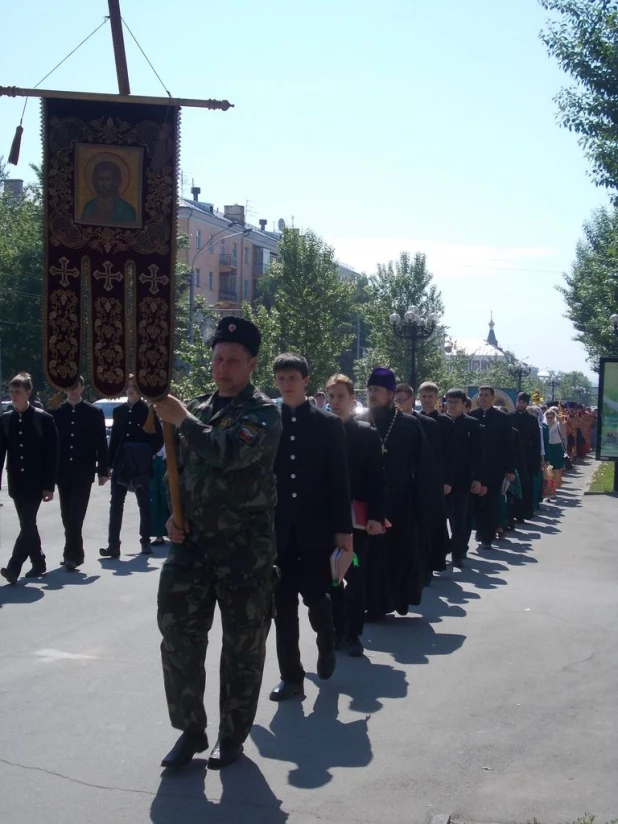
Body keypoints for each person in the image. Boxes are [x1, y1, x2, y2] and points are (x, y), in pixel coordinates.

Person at [154, 316, 282, 770]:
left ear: (251, 363)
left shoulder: (264, 412)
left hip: (244, 552)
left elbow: (229, 453)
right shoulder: (198, 407)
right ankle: (190, 729)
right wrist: (171, 517)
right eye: (216, 359)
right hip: (191, 549)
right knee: (178, 638)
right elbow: (177, 474)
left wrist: (183, 420)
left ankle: (232, 736)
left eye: (231, 360)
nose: (221, 368)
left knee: (243, 648)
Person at [269, 354, 352, 702]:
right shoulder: (268, 422)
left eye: (292, 377)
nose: (286, 384)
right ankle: (291, 676)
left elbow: (339, 482)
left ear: (306, 380)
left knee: (316, 597)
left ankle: (326, 640)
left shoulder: (327, 424)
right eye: (280, 378)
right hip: (277, 530)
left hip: (316, 529)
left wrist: (343, 533)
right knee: (282, 605)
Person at [357, 368, 438, 618]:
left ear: (391, 394)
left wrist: (427, 505)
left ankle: (401, 598)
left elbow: (424, 467)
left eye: (377, 391)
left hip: (401, 501)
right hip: (367, 500)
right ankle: (374, 604)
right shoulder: (359, 422)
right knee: (370, 556)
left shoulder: (409, 424)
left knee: (401, 553)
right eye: (369, 390)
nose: (372, 395)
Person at [326, 373, 386, 657]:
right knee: (330, 577)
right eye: (331, 396)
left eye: (341, 396)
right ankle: (334, 631)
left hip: (357, 521)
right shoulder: (318, 432)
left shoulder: (366, 434)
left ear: (352, 399)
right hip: (323, 519)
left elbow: (377, 478)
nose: (336, 402)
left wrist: (377, 515)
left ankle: (352, 634)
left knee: (355, 574)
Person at [0, 373, 59, 584]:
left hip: (36, 483)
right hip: (16, 482)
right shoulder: (6, 420)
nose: (13, 395)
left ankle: (13, 567)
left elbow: (52, 456)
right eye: (11, 391)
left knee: (26, 524)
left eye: (17, 391)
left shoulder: (43, 419)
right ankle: (39, 562)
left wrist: (48, 486)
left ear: (28, 392)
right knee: (28, 524)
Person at [99, 376, 163, 558]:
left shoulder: (148, 410)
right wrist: (108, 465)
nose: (131, 389)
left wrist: (146, 454)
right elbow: (115, 440)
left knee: (144, 503)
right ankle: (113, 545)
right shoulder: (119, 411)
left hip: (140, 464)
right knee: (116, 504)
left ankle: (145, 541)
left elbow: (158, 438)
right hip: (121, 462)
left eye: (134, 386)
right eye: (128, 386)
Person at [52, 376, 109, 571]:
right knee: (66, 515)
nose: (74, 390)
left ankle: (72, 555)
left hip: (83, 471)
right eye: (70, 387)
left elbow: (101, 443)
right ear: (65, 390)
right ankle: (75, 553)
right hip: (63, 471)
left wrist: (103, 470)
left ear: (83, 388)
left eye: (77, 386)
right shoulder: (57, 412)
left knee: (76, 515)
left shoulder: (94, 412)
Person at [469, 386, 515, 549]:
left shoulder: (502, 418)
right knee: (477, 502)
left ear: (492, 397)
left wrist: (510, 468)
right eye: (480, 395)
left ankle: (487, 537)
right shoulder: (472, 416)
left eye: (486, 395)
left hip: (495, 466)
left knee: (490, 502)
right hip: (476, 467)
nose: (483, 398)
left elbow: (509, 444)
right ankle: (481, 530)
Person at [444, 388, 485, 567]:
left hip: (463, 479)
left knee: (459, 517)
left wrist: (478, 479)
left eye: (456, 402)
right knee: (440, 517)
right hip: (442, 478)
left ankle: (458, 551)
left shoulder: (472, 424)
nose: (452, 406)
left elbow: (479, 454)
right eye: (449, 402)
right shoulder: (439, 422)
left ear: (463, 404)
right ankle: (445, 548)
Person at [508, 392, 542, 522]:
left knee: (526, 485)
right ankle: (511, 514)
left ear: (527, 404)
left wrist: (536, 462)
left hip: (527, 457)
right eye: (519, 402)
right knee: (511, 486)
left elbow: (536, 442)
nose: (520, 404)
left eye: (523, 402)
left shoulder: (532, 420)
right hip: (512, 455)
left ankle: (524, 513)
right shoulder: (509, 417)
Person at [81, 159, 137, 226]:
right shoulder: (89, 206)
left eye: (108, 179)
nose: (104, 184)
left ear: (115, 181)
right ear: (95, 181)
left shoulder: (126, 210)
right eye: (101, 179)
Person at [544, 408, 567, 496]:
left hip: (557, 448)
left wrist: (560, 422)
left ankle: (554, 488)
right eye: (548, 417)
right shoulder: (544, 425)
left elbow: (563, 434)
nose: (549, 419)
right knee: (548, 470)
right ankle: (549, 489)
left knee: (556, 470)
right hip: (548, 448)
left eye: (551, 417)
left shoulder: (558, 425)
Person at [150, 444, 169, 545]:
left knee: (160, 498)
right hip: (159, 460)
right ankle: (160, 534)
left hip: (162, 460)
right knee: (157, 498)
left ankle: (161, 534)